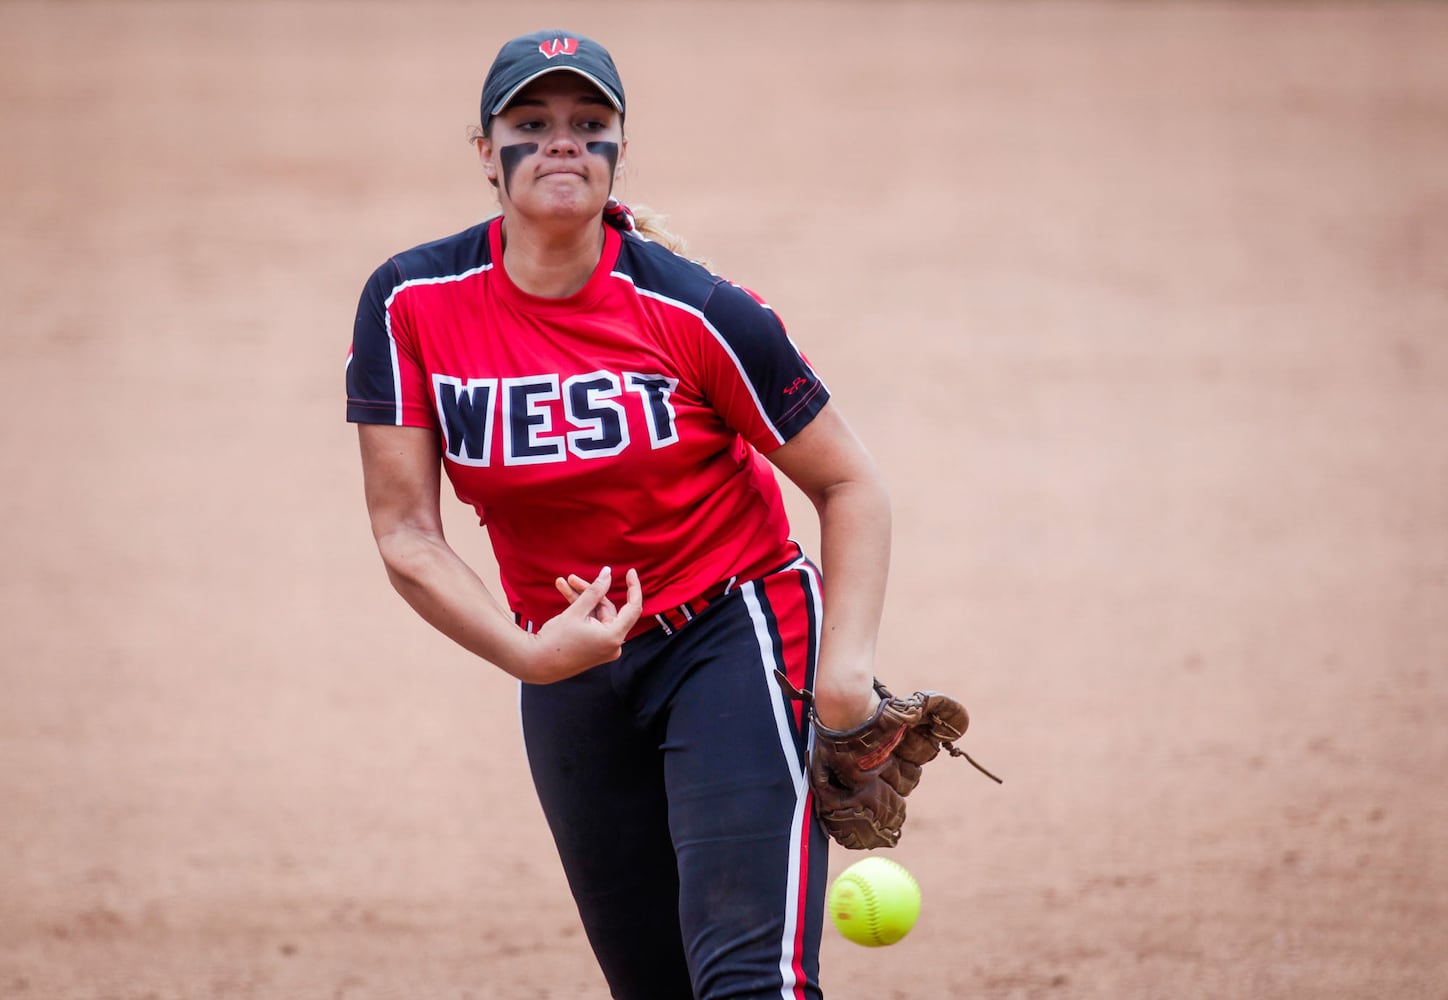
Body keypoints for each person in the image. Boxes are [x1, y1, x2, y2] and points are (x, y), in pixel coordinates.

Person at [346, 29, 893, 999]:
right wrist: (529, 656)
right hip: (564, 664)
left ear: (617, 151)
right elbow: (405, 533)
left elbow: (847, 484)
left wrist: (843, 680)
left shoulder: (696, 311)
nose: (562, 142)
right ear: (485, 151)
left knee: (745, 982)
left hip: (733, 634)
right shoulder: (412, 303)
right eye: (532, 123)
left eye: (587, 125)